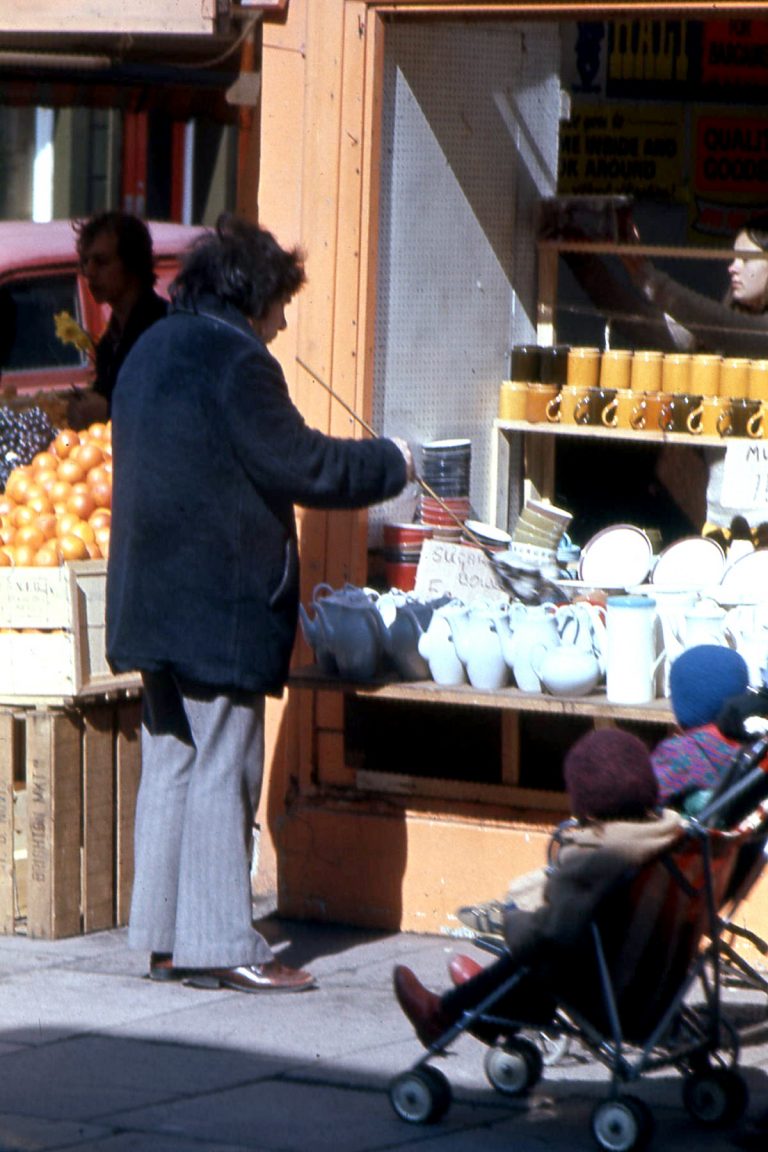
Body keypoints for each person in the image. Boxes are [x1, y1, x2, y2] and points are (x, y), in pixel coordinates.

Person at [106, 213, 414, 994]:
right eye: (280, 306)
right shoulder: (236, 360)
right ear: (254, 295)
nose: (281, 324)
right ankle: (220, 944)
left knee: (173, 760)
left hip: (148, 597)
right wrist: (394, 463)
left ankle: (166, 938)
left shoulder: (150, 349)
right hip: (219, 602)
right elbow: (302, 463)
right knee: (224, 764)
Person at [395, 729, 685, 1047]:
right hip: (659, 988)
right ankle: (487, 1009)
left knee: (535, 953)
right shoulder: (674, 841)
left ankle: (443, 1014)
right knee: (552, 953)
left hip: (611, 999)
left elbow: (549, 935)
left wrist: (511, 917)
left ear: (586, 800)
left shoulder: (598, 857)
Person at [67, 211, 169, 429]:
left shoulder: (164, 330)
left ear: (132, 264)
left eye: (101, 262)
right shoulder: (109, 341)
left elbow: (171, 410)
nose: (89, 272)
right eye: (85, 262)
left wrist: (108, 412)